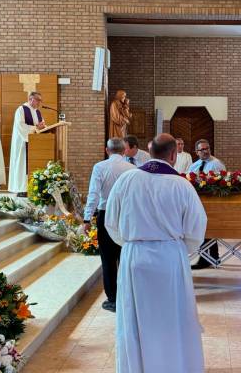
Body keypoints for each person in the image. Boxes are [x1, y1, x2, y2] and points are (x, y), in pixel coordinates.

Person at [105, 133, 206, 373]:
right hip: (170, 259)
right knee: (173, 319)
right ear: (174, 155)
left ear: (150, 152)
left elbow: (111, 222)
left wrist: (131, 243)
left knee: (135, 321)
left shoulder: (127, 180)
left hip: (134, 258)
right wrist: (177, 249)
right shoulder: (182, 185)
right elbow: (196, 230)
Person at [83, 138, 136, 312]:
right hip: (125, 216)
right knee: (125, 256)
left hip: (105, 215)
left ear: (107, 150)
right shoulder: (132, 169)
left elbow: (94, 194)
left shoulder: (100, 167)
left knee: (107, 259)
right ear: (124, 151)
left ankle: (112, 299)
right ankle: (128, 296)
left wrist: (86, 218)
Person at [189, 138, 226, 269]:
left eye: (207, 149)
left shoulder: (217, 164)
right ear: (196, 152)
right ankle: (211, 257)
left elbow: (224, 183)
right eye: (202, 150)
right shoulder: (194, 166)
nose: (205, 151)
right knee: (203, 230)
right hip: (198, 203)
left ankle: (208, 258)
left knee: (209, 229)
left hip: (213, 203)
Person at [9, 92, 45, 196]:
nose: (40, 102)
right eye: (38, 100)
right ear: (31, 99)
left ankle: (32, 189)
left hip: (35, 144)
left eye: (40, 100)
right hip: (22, 143)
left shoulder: (38, 112)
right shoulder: (21, 110)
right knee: (22, 165)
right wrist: (36, 127)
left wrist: (42, 126)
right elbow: (20, 126)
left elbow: (40, 125)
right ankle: (22, 189)